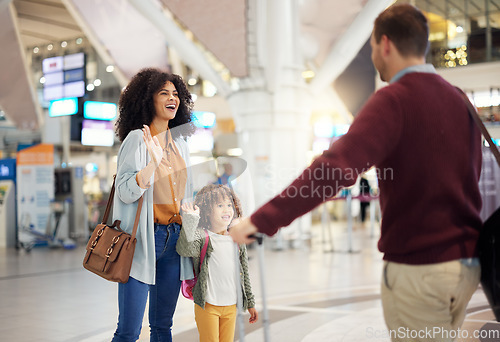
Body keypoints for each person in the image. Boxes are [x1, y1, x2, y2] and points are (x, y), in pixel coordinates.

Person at [230, 4, 482, 341]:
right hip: (465, 267)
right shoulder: (460, 99)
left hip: (420, 271)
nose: (374, 56)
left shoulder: (394, 100)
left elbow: (333, 169)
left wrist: (262, 219)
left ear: (386, 44)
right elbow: (471, 175)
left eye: (372, 47)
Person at [112, 67, 196, 342]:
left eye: (176, 94)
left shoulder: (180, 142)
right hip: (145, 240)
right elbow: (125, 192)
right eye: (164, 93)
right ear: (148, 99)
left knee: (163, 326)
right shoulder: (137, 139)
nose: (172, 98)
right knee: (129, 332)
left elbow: (187, 195)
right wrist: (153, 163)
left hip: (174, 242)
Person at [176, 184, 258, 342]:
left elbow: (244, 272)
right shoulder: (203, 236)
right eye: (220, 205)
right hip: (208, 305)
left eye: (229, 205)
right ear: (207, 210)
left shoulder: (236, 239)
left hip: (231, 305)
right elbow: (184, 249)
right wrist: (191, 219)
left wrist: (250, 301)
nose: (226, 209)